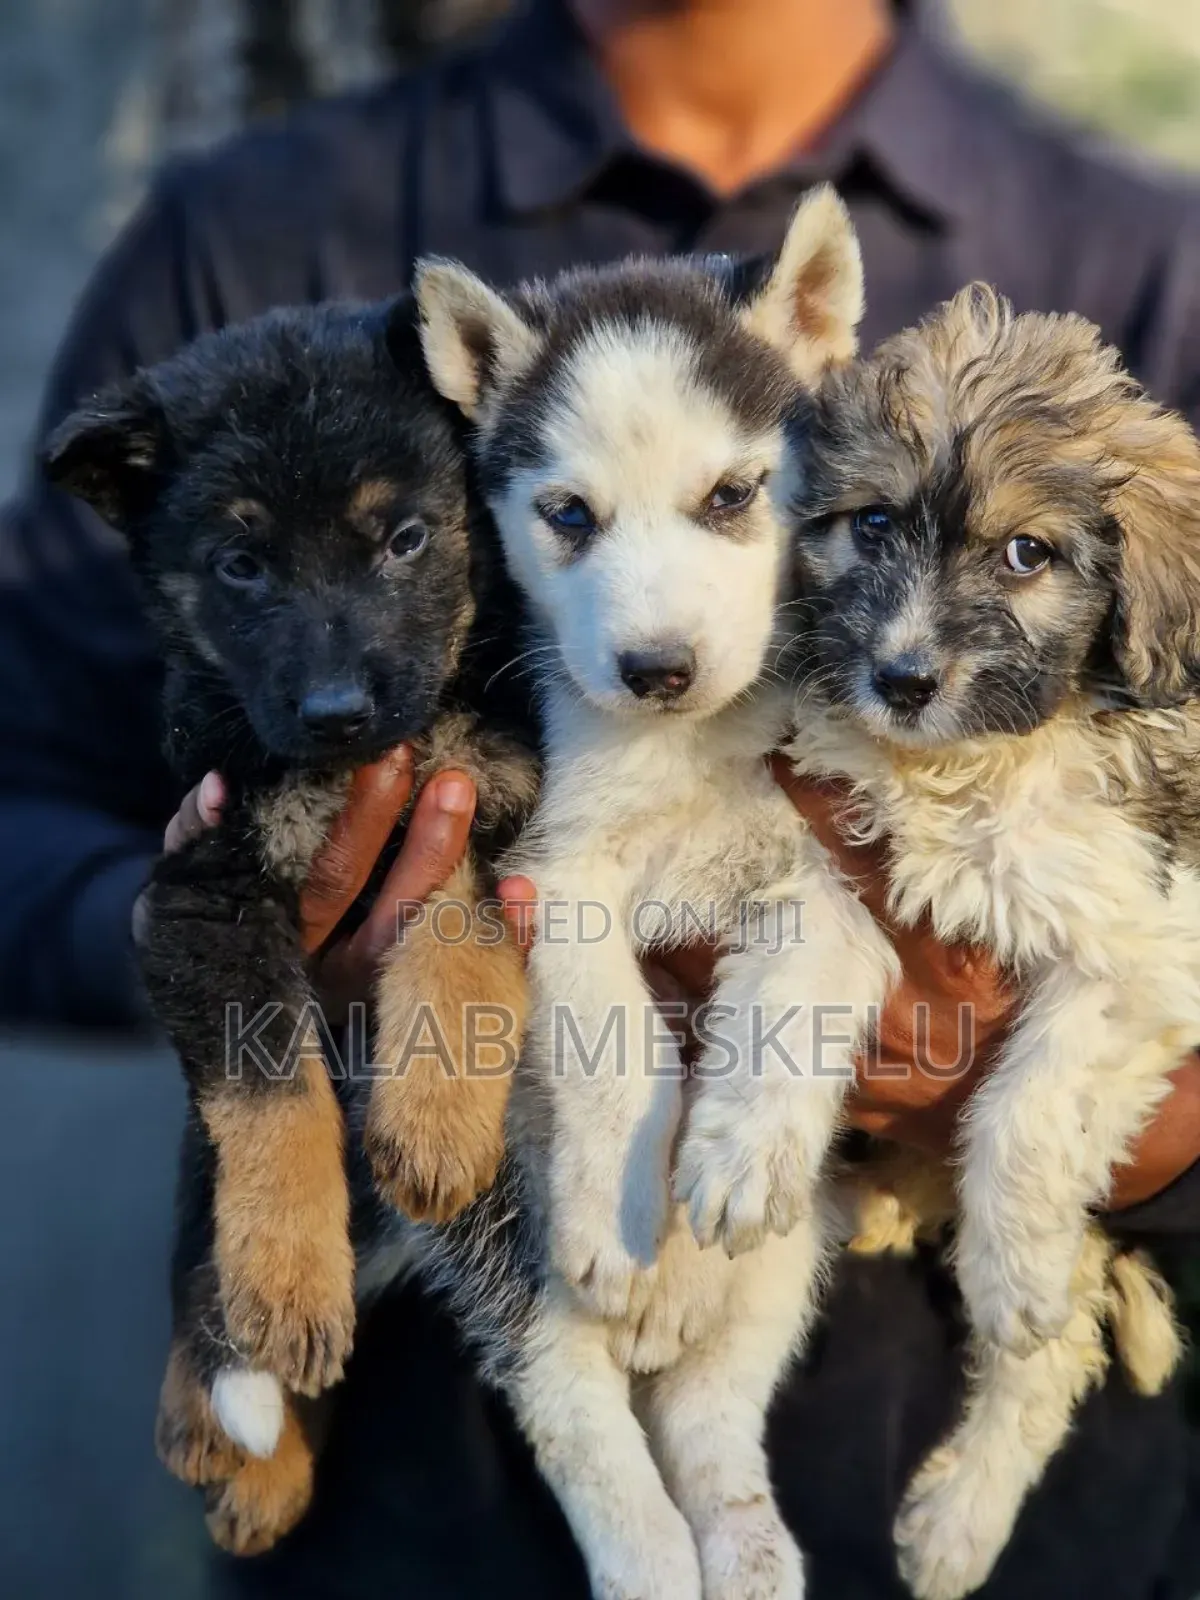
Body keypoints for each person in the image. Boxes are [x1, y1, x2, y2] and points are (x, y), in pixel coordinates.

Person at [1, 1, 1198, 1594]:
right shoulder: (259, 234)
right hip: (427, 1521)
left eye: (738, 500)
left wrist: (1112, 1122)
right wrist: (260, 959)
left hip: (1015, 1522)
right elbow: (24, 798)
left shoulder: (1149, 265)